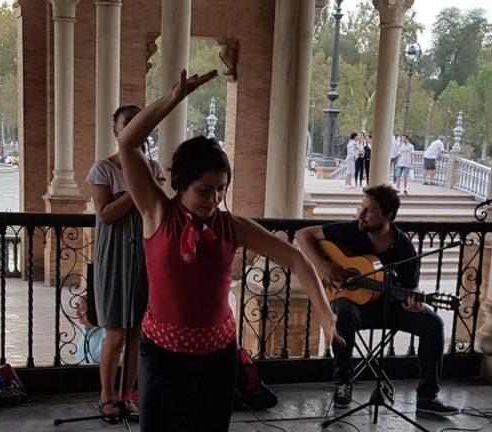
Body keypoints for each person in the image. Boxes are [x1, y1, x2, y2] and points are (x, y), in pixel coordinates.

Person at [117, 69, 342, 432]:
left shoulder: (231, 226)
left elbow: (296, 258)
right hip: (162, 357)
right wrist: (173, 97)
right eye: (205, 190)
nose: (215, 199)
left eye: (221, 189)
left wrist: (326, 315)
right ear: (181, 184)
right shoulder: (157, 213)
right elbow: (128, 143)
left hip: (217, 357)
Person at [296, 184, 459, 416]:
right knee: (342, 313)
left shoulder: (403, 247)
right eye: (361, 208)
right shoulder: (351, 230)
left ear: (388, 216)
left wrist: (413, 302)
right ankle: (343, 383)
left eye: (369, 211)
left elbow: (410, 289)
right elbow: (304, 235)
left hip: (389, 308)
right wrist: (323, 265)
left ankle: (427, 397)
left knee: (434, 324)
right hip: (353, 307)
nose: (360, 215)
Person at [86, 105, 164, 416]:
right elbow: (105, 215)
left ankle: (127, 396)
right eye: (128, 122)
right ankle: (107, 397)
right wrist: (136, 187)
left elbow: (158, 210)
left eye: (138, 121)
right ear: (116, 131)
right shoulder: (103, 169)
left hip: (144, 254)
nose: (134, 126)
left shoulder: (154, 167)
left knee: (137, 333)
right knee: (116, 333)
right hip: (114, 254)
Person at [74, 294, 106, 365]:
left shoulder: (105, 335)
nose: (77, 313)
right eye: (77, 308)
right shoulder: (84, 330)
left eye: (82, 309)